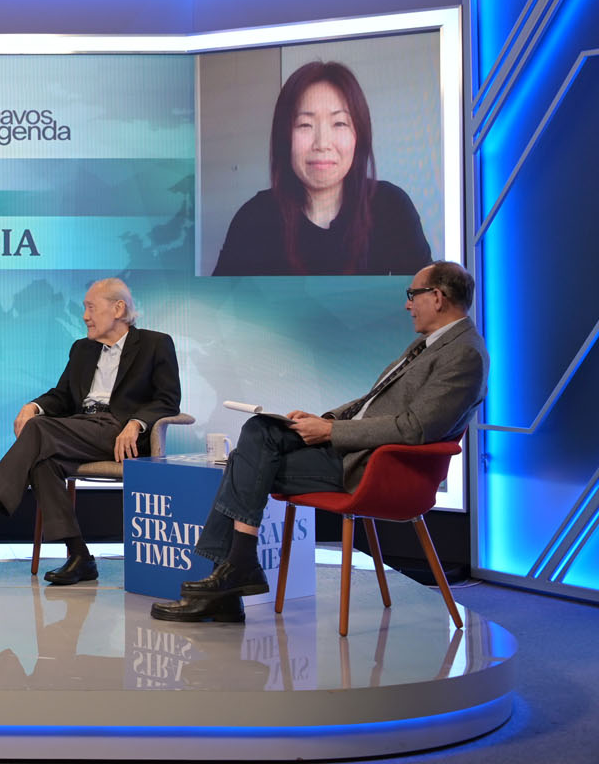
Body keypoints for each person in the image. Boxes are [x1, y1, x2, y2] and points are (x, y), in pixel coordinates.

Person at [152, 260, 487, 623]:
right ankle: (234, 573)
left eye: (412, 295)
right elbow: (371, 401)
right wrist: (323, 420)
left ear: (437, 297)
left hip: (375, 467)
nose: (408, 305)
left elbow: (416, 428)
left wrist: (332, 433)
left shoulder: (463, 354)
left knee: (244, 462)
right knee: (260, 428)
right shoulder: (427, 345)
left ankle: (232, 575)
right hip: (350, 447)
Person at [0, 278, 181, 586]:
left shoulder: (155, 343)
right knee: (43, 462)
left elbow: (168, 400)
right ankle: (80, 557)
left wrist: (137, 422)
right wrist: (33, 405)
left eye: (90, 307)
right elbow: (62, 396)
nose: (84, 316)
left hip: (120, 433)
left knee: (40, 431)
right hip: (83, 428)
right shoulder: (83, 349)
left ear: (118, 308)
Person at [212, 61, 430, 276]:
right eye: (305, 125)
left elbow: (430, 302)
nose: (322, 143)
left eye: (339, 124)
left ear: (359, 135)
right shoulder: (253, 219)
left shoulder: (391, 207)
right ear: (284, 137)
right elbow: (219, 307)